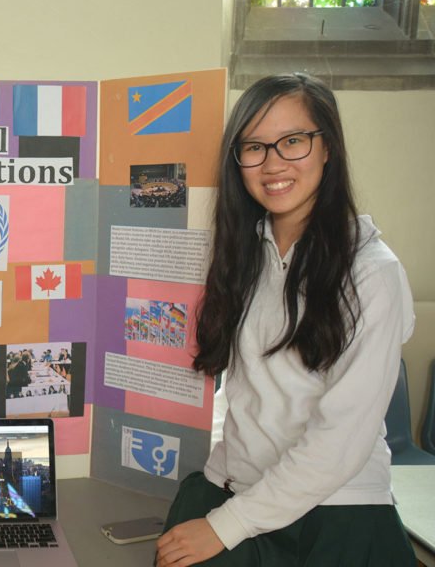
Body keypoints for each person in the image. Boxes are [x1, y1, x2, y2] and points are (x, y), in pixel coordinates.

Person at [155, 73, 415, 566]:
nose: (272, 164)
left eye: (293, 141)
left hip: (333, 511)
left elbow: (341, 439)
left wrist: (226, 526)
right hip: (231, 486)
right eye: (254, 146)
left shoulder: (372, 273)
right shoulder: (245, 252)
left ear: (327, 148)